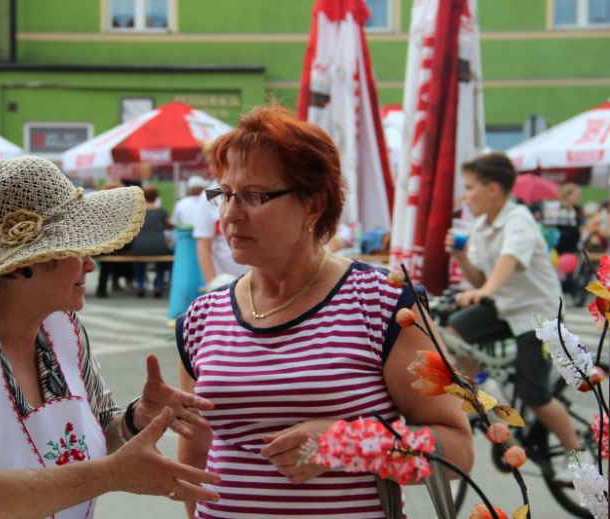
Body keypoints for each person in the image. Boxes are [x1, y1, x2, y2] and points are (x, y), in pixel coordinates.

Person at [0, 156, 221, 519]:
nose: (90, 263)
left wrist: (134, 420)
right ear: (23, 265)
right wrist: (113, 474)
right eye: (75, 247)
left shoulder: (60, 327)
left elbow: (96, 433)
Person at [176, 105, 473, 518]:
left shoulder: (383, 303)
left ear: (313, 207)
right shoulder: (202, 317)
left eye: (253, 196)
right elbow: (195, 450)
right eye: (224, 194)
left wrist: (346, 443)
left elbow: (457, 450)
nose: (230, 214)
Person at [444, 152, 583, 465]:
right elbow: (481, 277)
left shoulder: (518, 219)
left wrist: (485, 291)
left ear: (492, 189)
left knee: (535, 396)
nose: (465, 196)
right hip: (505, 307)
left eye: (469, 187)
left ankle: (581, 458)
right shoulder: (480, 225)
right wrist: (462, 257)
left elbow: (508, 262)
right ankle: (487, 403)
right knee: (453, 332)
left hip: (538, 315)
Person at [193, 169, 249, 289]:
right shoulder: (210, 195)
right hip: (224, 280)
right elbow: (203, 245)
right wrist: (213, 283)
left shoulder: (256, 191)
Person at [130, 185, 173, 298]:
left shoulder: (137, 212)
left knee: (139, 261)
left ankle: (140, 284)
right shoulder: (162, 211)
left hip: (140, 246)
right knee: (163, 261)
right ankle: (158, 284)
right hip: (159, 245)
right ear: (157, 196)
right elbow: (169, 226)